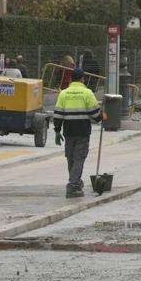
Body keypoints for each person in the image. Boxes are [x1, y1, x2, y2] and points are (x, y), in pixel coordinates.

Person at [53, 67, 102, 198]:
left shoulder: (64, 93)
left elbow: (57, 114)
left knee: (71, 158)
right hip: (82, 132)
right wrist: (102, 117)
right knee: (79, 158)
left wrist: (57, 131)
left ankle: (76, 181)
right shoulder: (87, 93)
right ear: (82, 79)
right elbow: (95, 113)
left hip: (68, 131)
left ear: (71, 79)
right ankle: (73, 185)